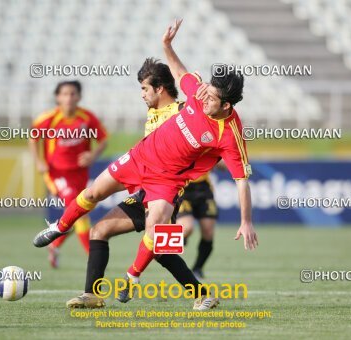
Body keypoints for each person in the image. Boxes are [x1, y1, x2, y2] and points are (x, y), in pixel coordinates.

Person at [32, 19, 258, 307]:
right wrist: (166, 44)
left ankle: (143, 280)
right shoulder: (196, 94)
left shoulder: (224, 131)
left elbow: (242, 181)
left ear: (226, 105)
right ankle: (85, 278)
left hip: (169, 185)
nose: (203, 97)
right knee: (104, 225)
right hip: (140, 163)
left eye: (144, 89)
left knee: (161, 244)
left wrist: (246, 221)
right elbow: (181, 72)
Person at [29, 80, 108, 268]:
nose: (69, 98)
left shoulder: (87, 118)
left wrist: (92, 155)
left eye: (73, 94)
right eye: (64, 94)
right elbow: (33, 138)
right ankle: (93, 258)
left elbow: (103, 139)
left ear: (79, 97)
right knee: (80, 215)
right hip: (57, 174)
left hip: (80, 175)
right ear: (57, 97)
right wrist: (39, 161)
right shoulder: (48, 118)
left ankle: (54, 245)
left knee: (72, 215)